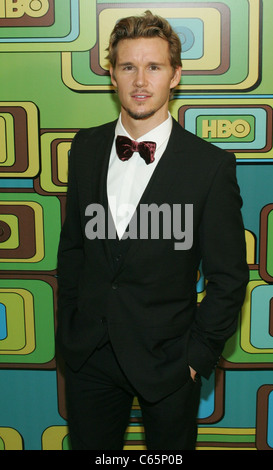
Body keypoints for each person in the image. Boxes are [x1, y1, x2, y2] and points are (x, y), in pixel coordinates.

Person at [56, 10, 249, 451]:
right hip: (90, 357)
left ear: (175, 76)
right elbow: (73, 251)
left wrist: (196, 358)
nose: (140, 80)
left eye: (154, 67)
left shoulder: (210, 166)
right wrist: (69, 333)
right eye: (128, 67)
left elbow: (229, 277)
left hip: (170, 361)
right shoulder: (84, 148)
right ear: (112, 75)